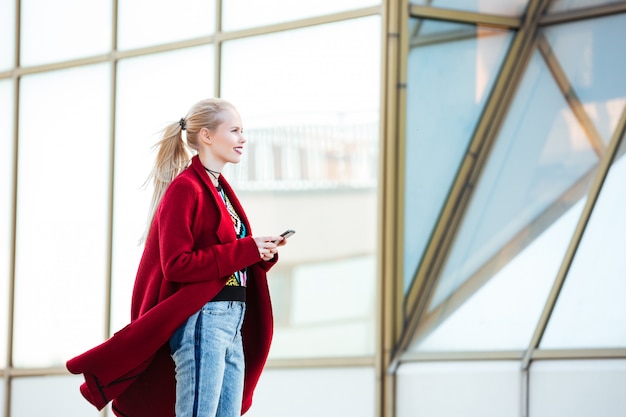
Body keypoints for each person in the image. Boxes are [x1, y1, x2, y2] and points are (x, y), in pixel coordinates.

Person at [67, 98, 285, 417]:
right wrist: (246, 248)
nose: (243, 138)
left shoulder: (220, 190)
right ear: (207, 136)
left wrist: (258, 252)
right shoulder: (186, 189)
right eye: (235, 130)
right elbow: (177, 264)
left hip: (232, 319)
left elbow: (227, 255)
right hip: (205, 319)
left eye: (243, 131)